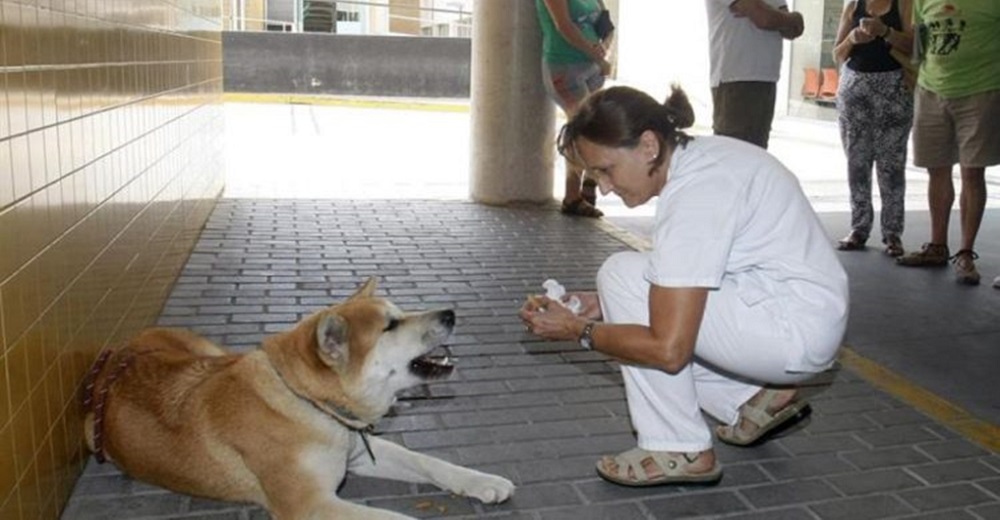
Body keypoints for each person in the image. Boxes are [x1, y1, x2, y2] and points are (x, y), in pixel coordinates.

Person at [520, 85, 849, 486]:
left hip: (791, 330)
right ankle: (748, 399)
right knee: (623, 285)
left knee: (621, 276)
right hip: (796, 312)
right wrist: (604, 304)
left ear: (647, 146)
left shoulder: (697, 194)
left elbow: (669, 350)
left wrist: (579, 331)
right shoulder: (704, 161)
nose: (603, 188)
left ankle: (678, 447)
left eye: (606, 170)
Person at [896, 0, 1000, 285]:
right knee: (936, 169)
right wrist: (915, 76)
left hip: (981, 90)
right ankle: (937, 246)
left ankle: (965, 254)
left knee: (972, 171)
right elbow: (920, 42)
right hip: (931, 91)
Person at [831, 0, 914, 257]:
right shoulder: (854, 4)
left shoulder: (905, 4)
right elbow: (838, 53)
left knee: (891, 164)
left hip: (894, 88)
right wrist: (854, 38)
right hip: (854, 89)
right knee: (857, 162)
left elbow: (915, 47)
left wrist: (885, 31)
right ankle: (859, 228)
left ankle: (892, 233)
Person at [536, 0, 614, 218]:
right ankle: (573, 196)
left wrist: (604, 48)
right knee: (581, 129)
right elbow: (564, 26)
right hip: (564, 67)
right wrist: (597, 55)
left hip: (593, 68)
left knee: (591, 129)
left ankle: (588, 185)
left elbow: (605, 24)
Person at [705, 0, 805, 149]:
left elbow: (793, 30)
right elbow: (763, 18)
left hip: (765, 79)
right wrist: (790, 17)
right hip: (735, 80)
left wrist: (789, 18)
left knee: (756, 153)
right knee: (733, 155)